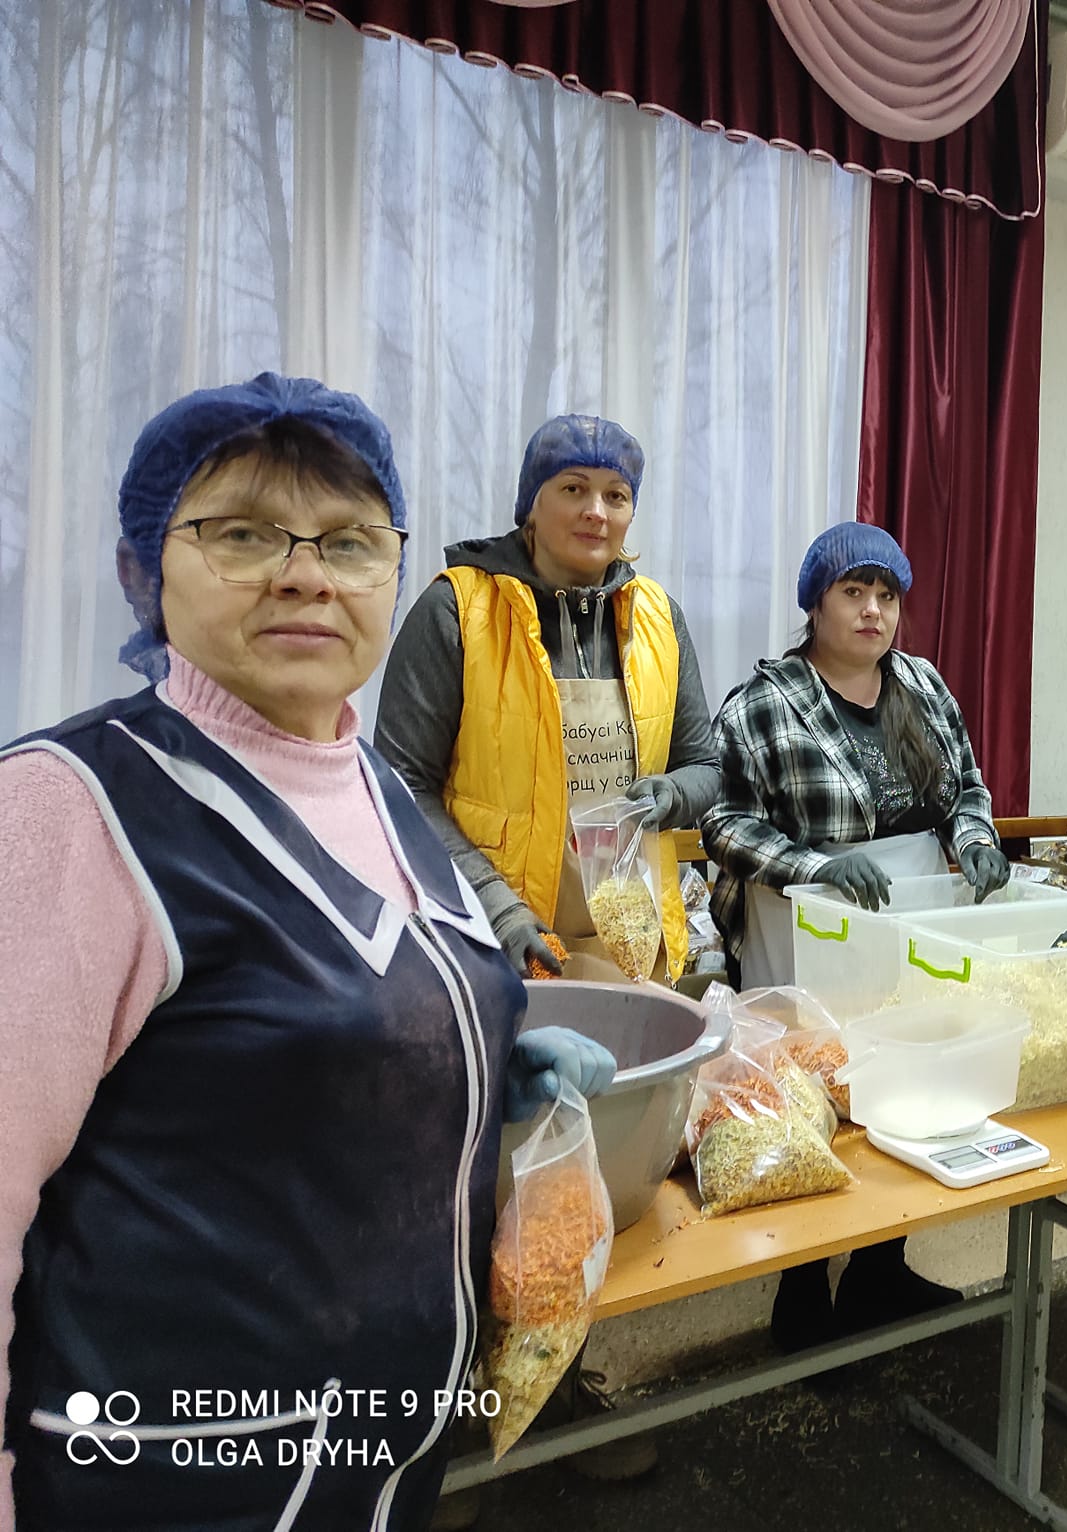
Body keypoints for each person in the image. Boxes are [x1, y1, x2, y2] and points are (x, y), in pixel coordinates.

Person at [0, 376, 614, 1531]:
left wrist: (476, 1067)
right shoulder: (68, 809)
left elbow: (304, 1047)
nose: (303, 572)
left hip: (383, 1462)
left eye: (347, 541)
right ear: (144, 570)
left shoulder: (374, 785)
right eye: (242, 533)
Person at [702, 522, 1009, 1350]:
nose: (873, 611)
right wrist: (810, 865)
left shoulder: (922, 686)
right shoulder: (764, 702)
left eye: (887, 595)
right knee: (812, 1098)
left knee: (901, 1083)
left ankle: (880, 1270)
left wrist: (976, 838)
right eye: (853, 592)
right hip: (807, 929)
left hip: (906, 919)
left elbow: (967, 789)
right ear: (816, 603)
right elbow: (722, 820)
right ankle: (799, 1295)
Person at [379, 414, 720, 986]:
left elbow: (704, 766)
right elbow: (400, 787)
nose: (596, 511)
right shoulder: (456, 612)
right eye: (573, 488)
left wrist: (672, 793)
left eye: (616, 495)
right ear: (530, 505)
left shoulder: (660, 618)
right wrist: (496, 905)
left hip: (633, 946)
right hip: (498, 946)